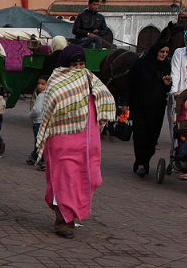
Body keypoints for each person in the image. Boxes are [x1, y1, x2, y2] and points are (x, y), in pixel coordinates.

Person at [36, 45, 115, 239]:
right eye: (74, 64)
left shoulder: (90, 79)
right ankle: (63, 221)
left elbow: (105, 97)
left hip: (88, 142)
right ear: (65, 64)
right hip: (63, 140)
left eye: (81, 63)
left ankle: (72, 213)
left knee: (90, 178)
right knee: (65, 179)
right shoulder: (57, 81)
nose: (78, 68)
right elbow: (51, 107)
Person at [129, 42, 172, 176]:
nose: (164, 55)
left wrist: (167, 84)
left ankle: (145, 162)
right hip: (140, 106)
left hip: (157, 108)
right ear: (155, 51)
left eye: (166, 52)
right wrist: (125, 102)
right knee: (140, 135)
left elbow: (168, 88)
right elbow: (130, 83)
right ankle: (141, 163)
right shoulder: (141, 64)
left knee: (153, 137)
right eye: (162, 52)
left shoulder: (166, 65)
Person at [26, 77, 48, 169]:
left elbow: (37, 110)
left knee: (38, 142)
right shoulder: (49, 95)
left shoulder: (41, 96)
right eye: (39, 83)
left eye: (43, 84)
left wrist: (30, 115)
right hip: (46, 121)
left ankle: (43, 161)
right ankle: (34, 157)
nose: (39, 86)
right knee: (41, 141)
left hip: (38, 122)